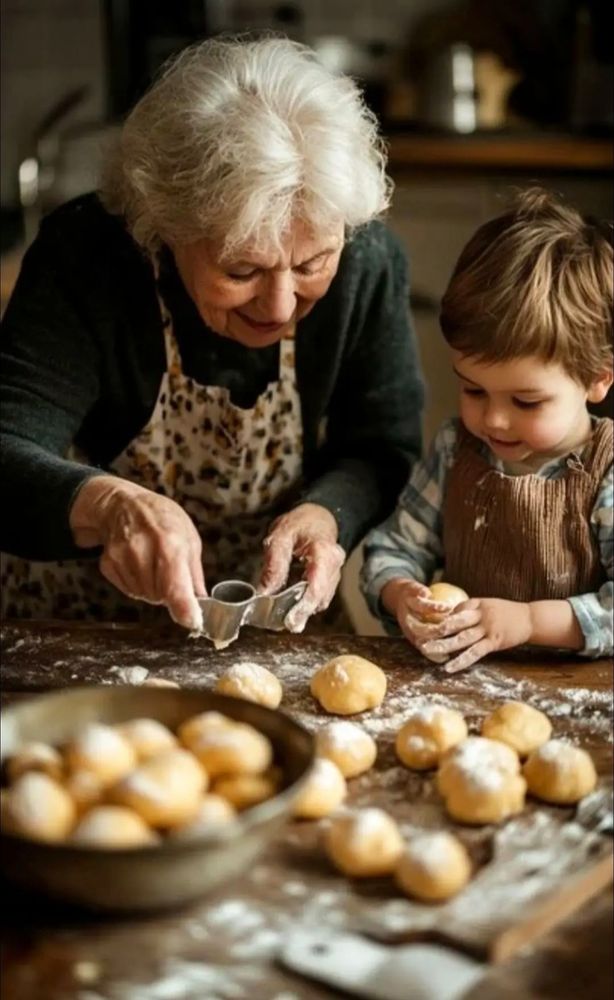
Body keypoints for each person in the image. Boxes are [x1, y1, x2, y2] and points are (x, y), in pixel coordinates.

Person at [0, 36, 424, 634]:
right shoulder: (86, 257)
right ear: (165, 226)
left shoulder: (368, 259)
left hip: (276, 624)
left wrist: (329, 514)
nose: (279, 306)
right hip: (82, 627)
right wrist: (110, 505)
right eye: (241, 270)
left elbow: (383, 446)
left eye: (309, 265)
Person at [361, 187, 613, 671]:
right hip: (462, 689)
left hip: (580, 698)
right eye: (474, 391)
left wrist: (528, 622)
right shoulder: (458, 450)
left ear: (598, 378)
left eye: (526, 401)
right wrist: (401, 594)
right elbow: (391, 549)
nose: (493, 420)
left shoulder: (607, 471)